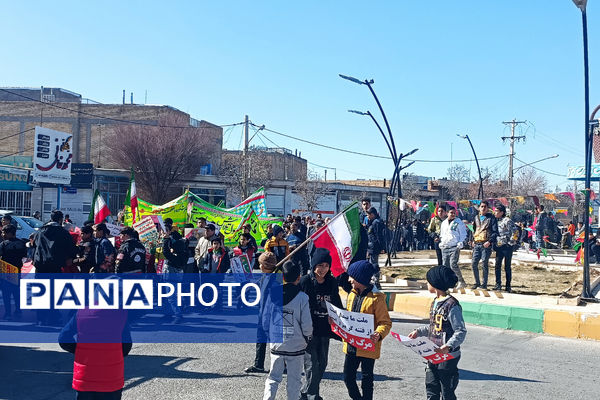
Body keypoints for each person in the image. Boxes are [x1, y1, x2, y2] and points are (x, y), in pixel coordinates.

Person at [408, 266, 467, 400]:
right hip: (432, 353)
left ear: (435, 284)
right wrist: (419, 332)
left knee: (447, 391)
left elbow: (460, 330)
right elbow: (434, 327)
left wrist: (449, 346)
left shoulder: (452, 305)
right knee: (431, 389)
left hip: (448, 357)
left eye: (428, 281)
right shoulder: (435, 302)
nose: (426, 283)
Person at [342, 260, 392, 400]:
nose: (349, 279)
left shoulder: (377, 299)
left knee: (367, 380)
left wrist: (379, 334)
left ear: (360, 278)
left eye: (352, 277)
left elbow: (385, 323)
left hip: (368, 346)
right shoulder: (351, 294)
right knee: (348, 378)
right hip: (351, 345)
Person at [263, 261, 312, 400]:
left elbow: (265, 318)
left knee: (273, 377)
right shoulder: (302, 297)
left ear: (282, 277)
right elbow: (307, 324)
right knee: (294, 381)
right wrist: (308, 337)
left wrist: (269, 334)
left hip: (276, 343)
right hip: (296, 345)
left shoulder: (272, 293)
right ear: (299, 278)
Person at [59, 307, 132, 400]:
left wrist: (80, 351)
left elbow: (63, 338)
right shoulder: (120, 314)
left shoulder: (81, 313)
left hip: (85, 378)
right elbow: (127, 345)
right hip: (111, 377)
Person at [299, 248, 343, 400]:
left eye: (326, 265)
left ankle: (304, 392)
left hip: (325, 329)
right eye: (320, 265)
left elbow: (337, 304)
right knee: (312, 364)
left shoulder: (331, 282)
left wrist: (343, 321)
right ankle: (313, 395)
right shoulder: (305, 281)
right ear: (314, 265)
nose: (323, 269)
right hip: (309, 329)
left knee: (322, 363)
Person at [33, 210, 77, 325]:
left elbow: (33, 245)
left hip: (40, 265)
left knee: (41, 291)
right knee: (54, 292)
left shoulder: (40, 231)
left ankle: (41, 318)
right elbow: (71, 248)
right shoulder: (62, 232)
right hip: (55, 265)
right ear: (60, 219)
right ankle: (53, 317)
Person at [245, 252, 278, 374]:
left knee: (274, 342)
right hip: (262, 311)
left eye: (260, 264)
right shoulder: (265, 277)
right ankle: (258, 364)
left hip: (269, 315)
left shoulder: (275, 280)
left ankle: (281, 365)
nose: (259, 266)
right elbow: (259, 283)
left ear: (265, 266)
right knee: (260, 339)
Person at [0, 224, 27, 319]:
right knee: (16, 292)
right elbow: (24, 255)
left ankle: (8, 313)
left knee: (6, 293)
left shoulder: (4, 244)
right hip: (17, 270)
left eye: (4, 233)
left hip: (6, 272)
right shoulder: (21, 243)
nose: (2, 234)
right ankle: (18, 310)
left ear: (9, 233)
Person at [470, 201, 498, 290]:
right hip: (477, 243)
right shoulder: (476, 217)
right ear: (479, 208)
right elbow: (473, 230)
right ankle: (477, 282)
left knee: (484, 263)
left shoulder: (491, 218)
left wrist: (489, 241)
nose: (483, 208)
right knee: (474, 263)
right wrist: (471, 240)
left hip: (486, 244)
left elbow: (495, 231)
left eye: (485, 206)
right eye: (481, 206)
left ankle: (484, 284)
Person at [439, 207, 467, 289]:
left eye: (454, 213)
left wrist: (461, 242)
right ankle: (448, 282)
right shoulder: (443, 223)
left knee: (453, 264)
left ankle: (461, 281)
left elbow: (463, 234)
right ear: (447, 213)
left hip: (454, 246)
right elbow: (442, 234)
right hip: (445, 246)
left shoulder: (459, 222)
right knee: (445, 266)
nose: (453, 214)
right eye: (451, 212)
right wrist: (441, 242)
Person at [493, 204, 518, 292]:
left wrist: (511, 243)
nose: (495, 213)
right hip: (499, 246)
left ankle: (508, 286)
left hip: (507, 246)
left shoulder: (507, 221)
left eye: (496, 211)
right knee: (497, 265)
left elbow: (515, 232)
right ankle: (498, 284)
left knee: (507, 266)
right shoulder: (496, 221)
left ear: (502, 212)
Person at [365, 207, 385, 286]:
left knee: (374, 264)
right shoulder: (372, 222)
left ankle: (376, 281)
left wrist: (382, 247)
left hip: (374, 247)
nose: (367, 216)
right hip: (371, 247)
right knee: (371, 263)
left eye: (368, 214)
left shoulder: (376, 222)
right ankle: (372, 279)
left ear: (373, 214)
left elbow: (379, 236)